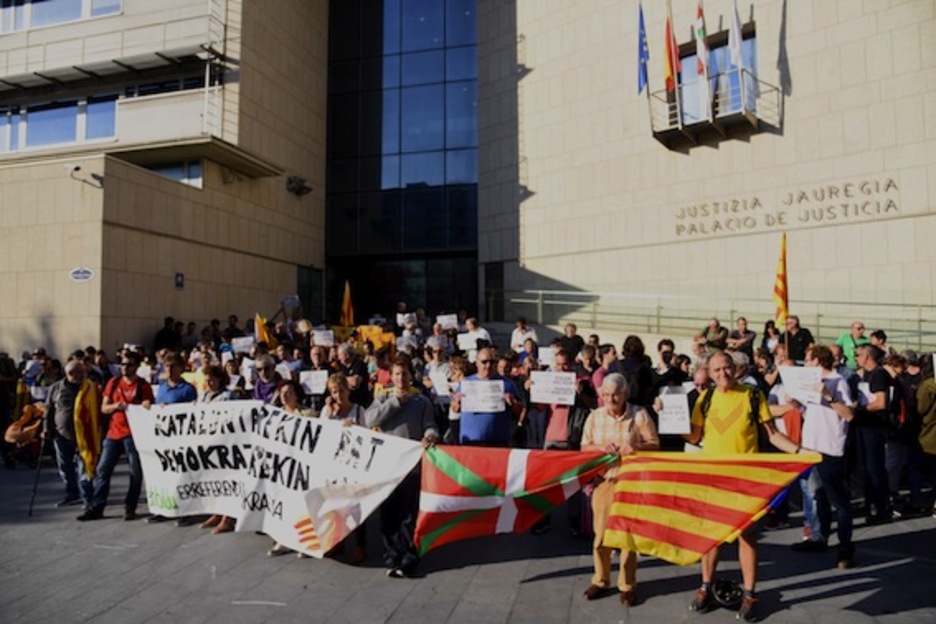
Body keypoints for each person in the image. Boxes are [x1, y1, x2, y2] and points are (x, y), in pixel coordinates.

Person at [683, 351, 801, 622]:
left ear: (735, 368)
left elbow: (772, 435)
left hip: (744, 479)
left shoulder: (752, 394)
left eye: (727, 368)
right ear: (710, 374)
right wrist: (669, 418)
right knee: (711, 536)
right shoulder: (706, 397)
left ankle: (749, 593)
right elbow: (694, 435)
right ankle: (705, 587)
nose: (723, 374)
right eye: (716, 370)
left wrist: (800, 451)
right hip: (714, 478)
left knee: (746, 536)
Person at [580, 373, 659, 606]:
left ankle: (627, 585)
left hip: (632, 483)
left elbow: (655, 445)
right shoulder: (594, 417)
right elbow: (583, 447)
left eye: (614, 394)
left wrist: (635, 446)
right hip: (604, 481)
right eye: (605, 394)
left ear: (625, 393)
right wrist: (601, 447)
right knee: (601, 536)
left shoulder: (639, 414)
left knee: (628, 537)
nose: (610, 399)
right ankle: (601, 580)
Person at [364, 357, 439, 578]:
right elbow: (370, 420)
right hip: (388, 467)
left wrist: (431, 436)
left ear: (410, 375)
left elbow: (430, 425)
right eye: (397, 374)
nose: (400, 378)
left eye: (404, 374)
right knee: (389, 513)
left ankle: (408, 555)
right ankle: (391, 554)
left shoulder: (421, 401)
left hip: (411, 467)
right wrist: (395, 402)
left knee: (408, 513)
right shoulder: (383, 397)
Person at [790, 345, 856, 569]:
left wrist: (828, 396)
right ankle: (820, 537)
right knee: (818, 496)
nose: (805, 364)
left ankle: (845, 547)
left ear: (817, 362)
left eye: (808, 360)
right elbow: (813, 413)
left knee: (840, 501)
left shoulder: (838, 381)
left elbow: (848, 414)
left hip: (830, 448)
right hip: (811, 446)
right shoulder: (810, 384)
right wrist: (797, 405)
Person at [79, 352, 154, 521]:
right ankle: (97, 507)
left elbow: (149, 406)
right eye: (123, 364)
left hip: (133, 434)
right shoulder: (113, 383)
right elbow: (103, 408)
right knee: (102, 470)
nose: (125, 367)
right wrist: (115, 406)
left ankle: (130, 506)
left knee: (135, 472)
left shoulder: (143, 386)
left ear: (136, 367)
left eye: (129, 364)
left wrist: (143, 405)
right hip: (114, 433)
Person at [43, 360, 100, 509]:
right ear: (68, 374)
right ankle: (71, 494)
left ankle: (87, 498)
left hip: (84, 436)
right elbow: (49, 411)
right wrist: (46, 429)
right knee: (65, 467)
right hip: (61, 435)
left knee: (84, 468)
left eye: (83, 372)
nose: (81, 375)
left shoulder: (90, 388)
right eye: (78, 373)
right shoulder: (56, 388)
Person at [853, 344, 893, 524]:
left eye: (858, 355)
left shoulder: (878, 374)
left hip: (873, 427)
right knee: (866, 469)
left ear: (867, 357)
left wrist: (858, 409)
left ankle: (881, 508)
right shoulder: (867, 375)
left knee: (874, 468)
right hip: (865, 426)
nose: (855, 358)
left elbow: (881, 402)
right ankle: (871, 504)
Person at [450, 347, 523, 447]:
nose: (488, 365)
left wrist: (513, 403)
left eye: (492, 362)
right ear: (477, 363)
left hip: (498, 442)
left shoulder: (507, 384)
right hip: (471, 441)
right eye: (484, 362)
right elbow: (454, 409)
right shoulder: (466, 383)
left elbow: (520, 410)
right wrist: (457, 403)